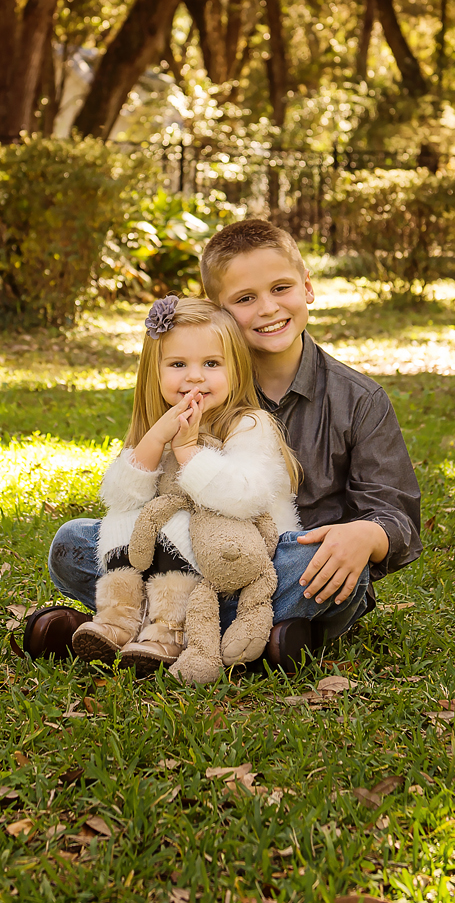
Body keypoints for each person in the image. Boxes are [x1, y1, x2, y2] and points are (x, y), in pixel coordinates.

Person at [24, 218, 421, 669]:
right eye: (246, 298)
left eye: (281, 288)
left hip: (286, 563)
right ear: (219, 312)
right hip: (185, 554)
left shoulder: (359, 400)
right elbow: (136, 497)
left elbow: (397, 514)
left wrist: (366, 535)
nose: (268, 308)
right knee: (72, 543)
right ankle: (256, 640)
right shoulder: (195, 381)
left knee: (331, 570)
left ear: (307, 287)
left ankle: (136, 627)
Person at [67, 296, 300, 680]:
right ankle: (118, 621)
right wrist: (154, 441)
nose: (194, 377)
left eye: (211, 364)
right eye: (178, 364)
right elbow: (122, 501)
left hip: (239, 569)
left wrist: (189, 453)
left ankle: (171, 629)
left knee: (304, 562)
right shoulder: (157, 426)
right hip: (163, 571)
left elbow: (244, 499)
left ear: (236, 370)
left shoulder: (249, 425)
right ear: (154, 374)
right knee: (72, 539)